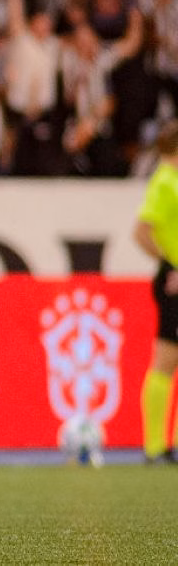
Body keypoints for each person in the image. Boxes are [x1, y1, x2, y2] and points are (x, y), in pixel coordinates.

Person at [134, 121, 178, 464]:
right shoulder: (165, 182)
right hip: (174, 280)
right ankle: (153, 445)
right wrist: (169, 265)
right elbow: (142, 231)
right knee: (165, 359)